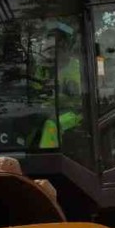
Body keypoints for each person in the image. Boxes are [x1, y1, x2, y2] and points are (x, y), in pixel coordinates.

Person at [39, 21, 85, 149]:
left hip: (74, 112)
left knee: (52, 125)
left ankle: (47, 162)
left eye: (54, 47)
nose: (50, 52)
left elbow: (79, 100)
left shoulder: (76, 67)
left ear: (64, 45)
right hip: (46, 110)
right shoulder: (43, 68)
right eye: (48, 48)